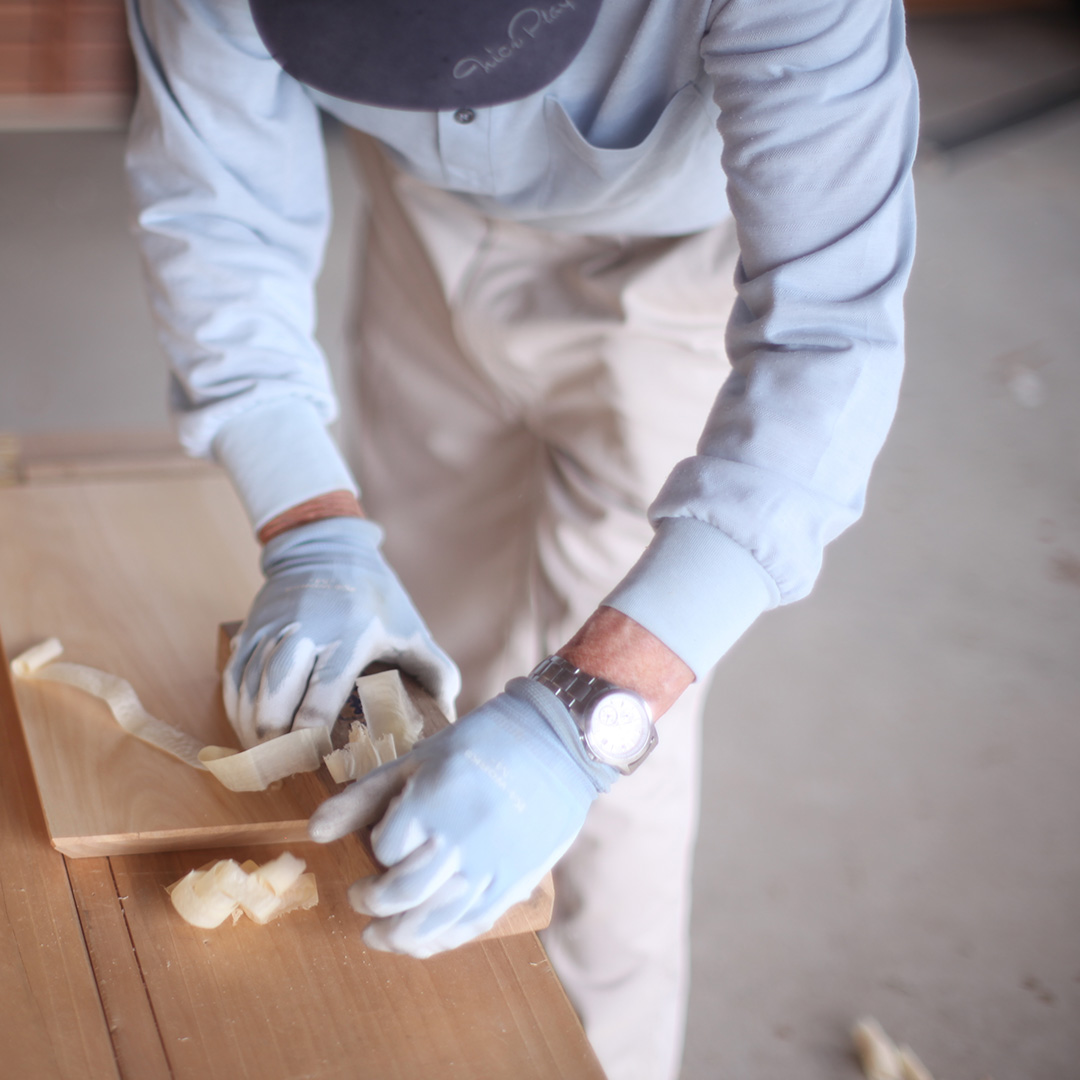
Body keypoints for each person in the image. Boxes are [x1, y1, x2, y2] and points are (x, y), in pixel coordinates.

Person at [123, 2, 918, 1077]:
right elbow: (216, 215)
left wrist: (583, 720)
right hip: (421, 215)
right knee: (409, 700)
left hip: (681, 261)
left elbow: (828, 339)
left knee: (602, 804)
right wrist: (313, 531)